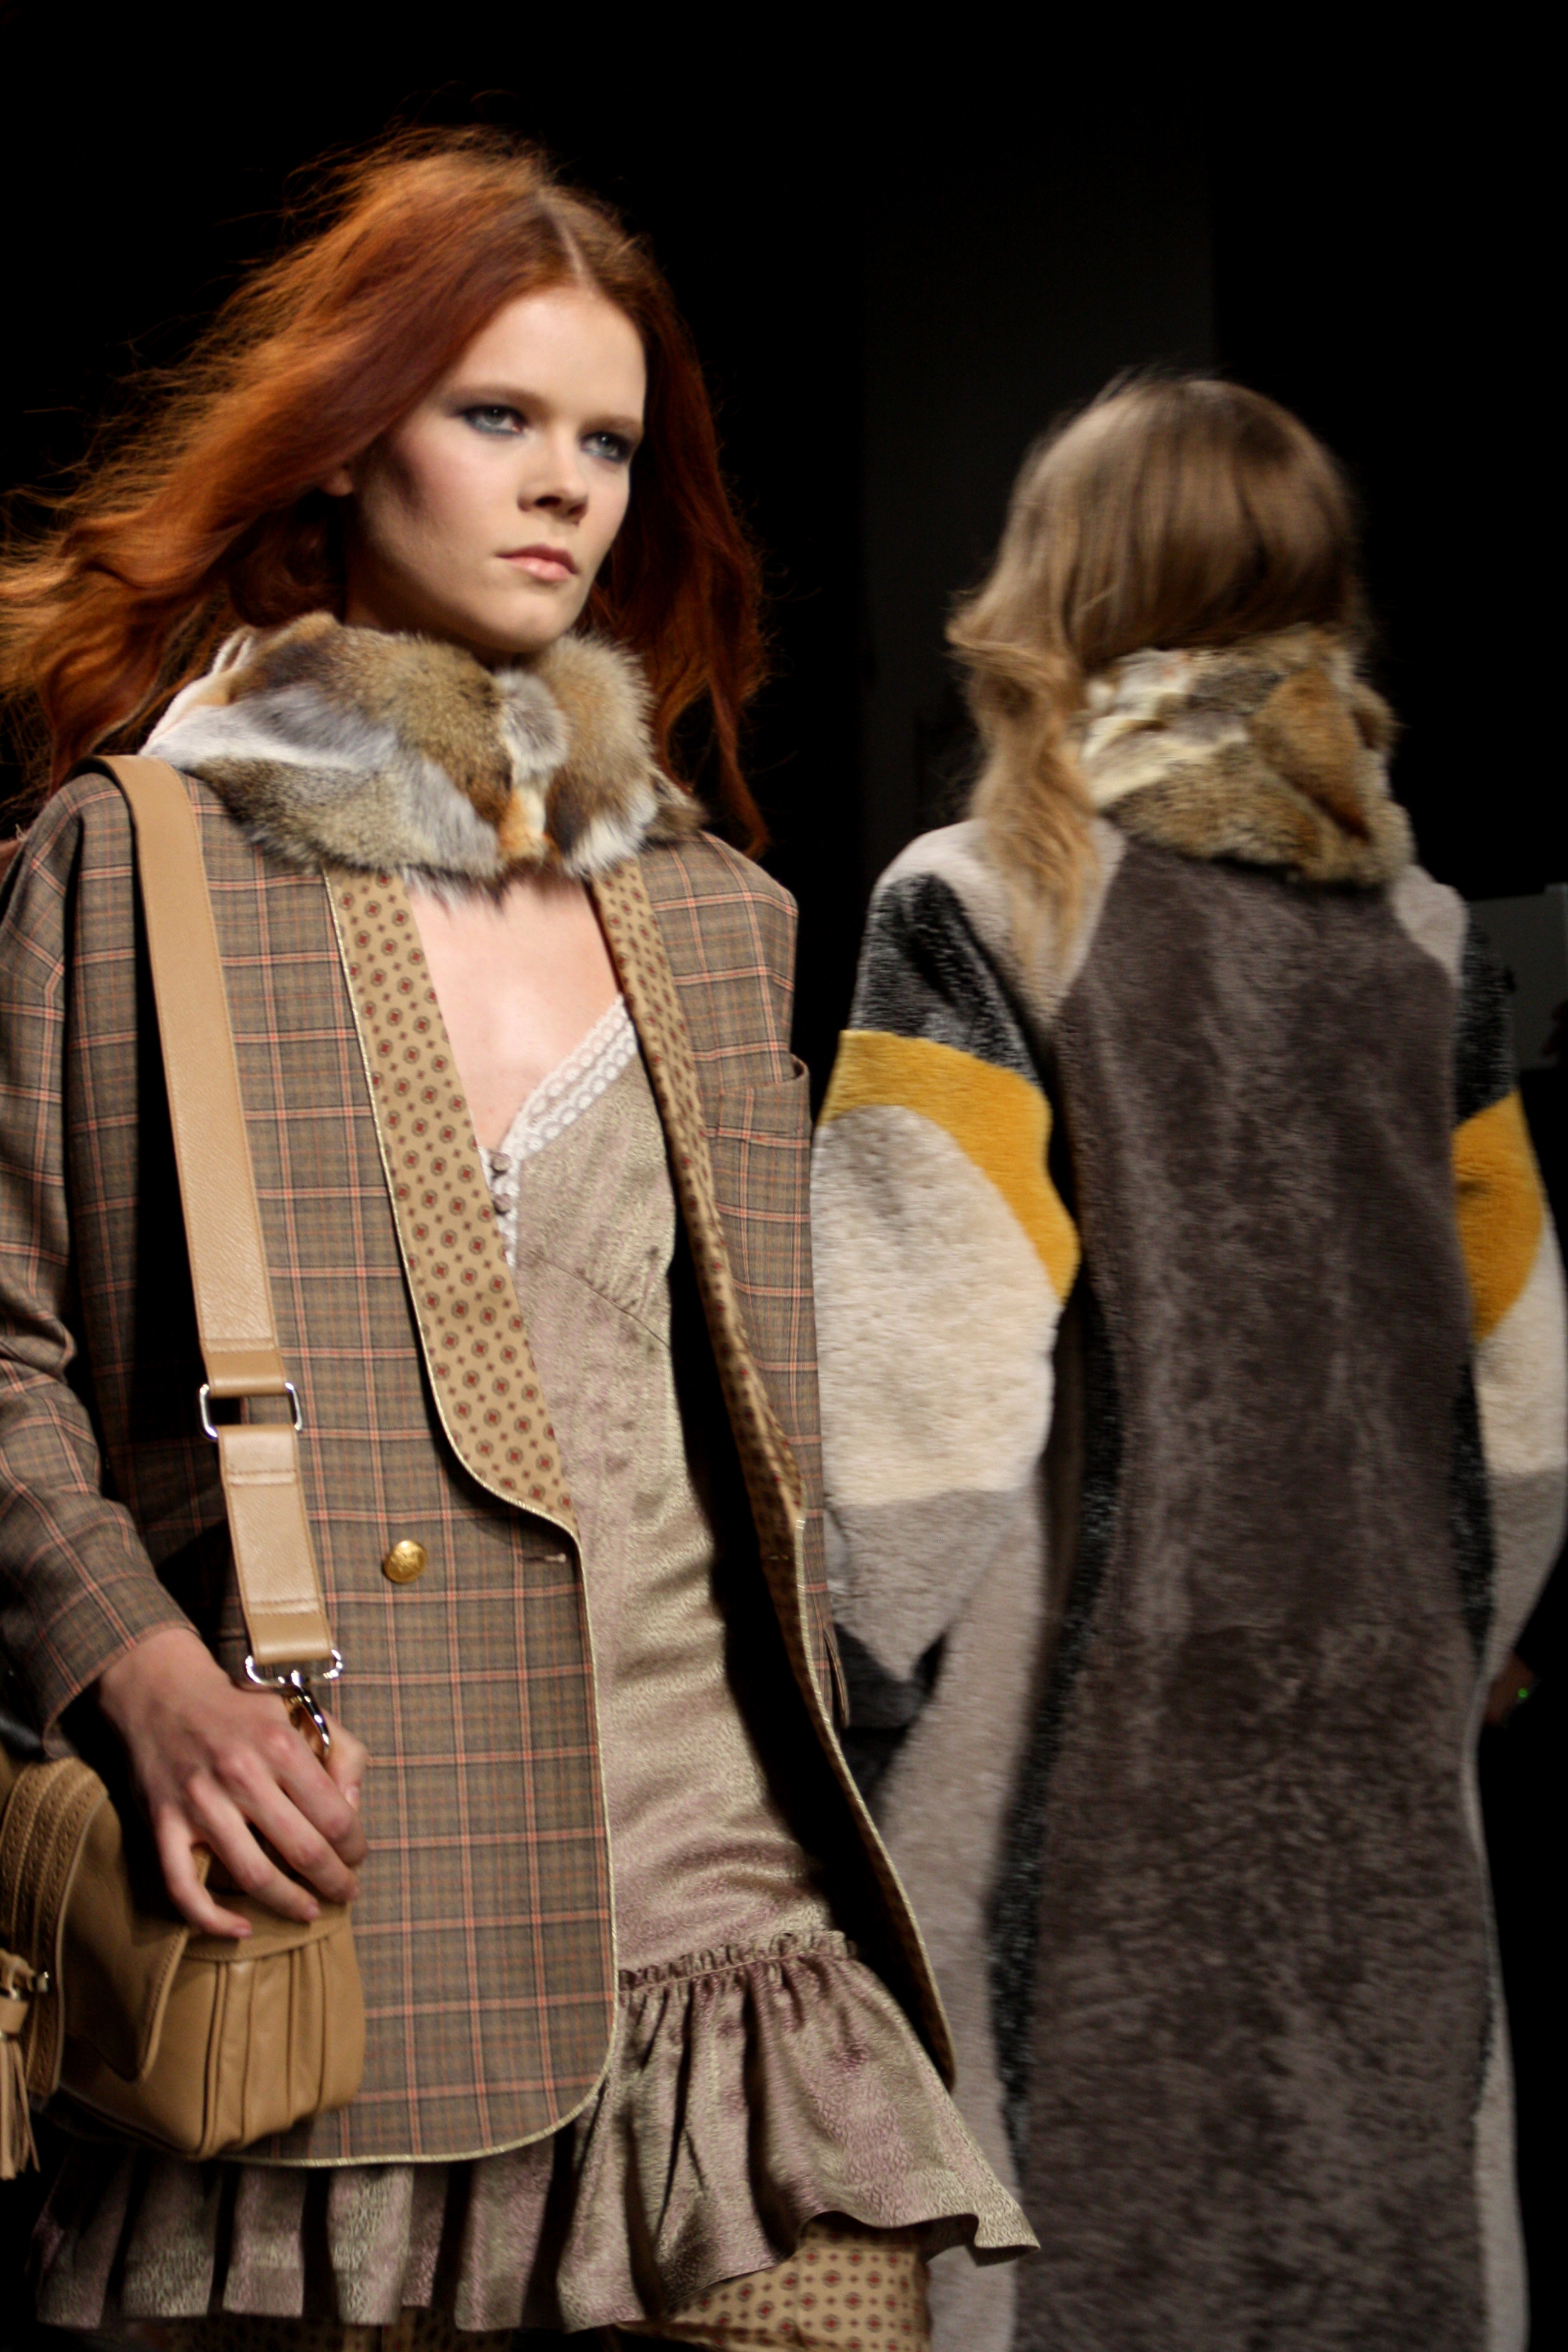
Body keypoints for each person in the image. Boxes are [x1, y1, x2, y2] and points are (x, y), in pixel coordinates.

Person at [0, 132, 1029, 2349]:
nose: (565, 483)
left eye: (609, 442)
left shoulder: (718, 917)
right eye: (497, 416)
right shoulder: (141, 865)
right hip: (344, 1971)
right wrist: (135, 1667)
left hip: (742, 1967)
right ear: (350, 439)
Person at [811, 376, 1567, 2352]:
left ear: (1059, 589)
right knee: (1379, 2225)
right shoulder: (1429, 942)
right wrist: (1450, 1652)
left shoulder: (981, 904)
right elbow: (1522, 1408)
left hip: (1057, 1734)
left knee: (1059, 2250)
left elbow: (915, 1414)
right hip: (1382, 1730)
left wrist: (839, 1702)